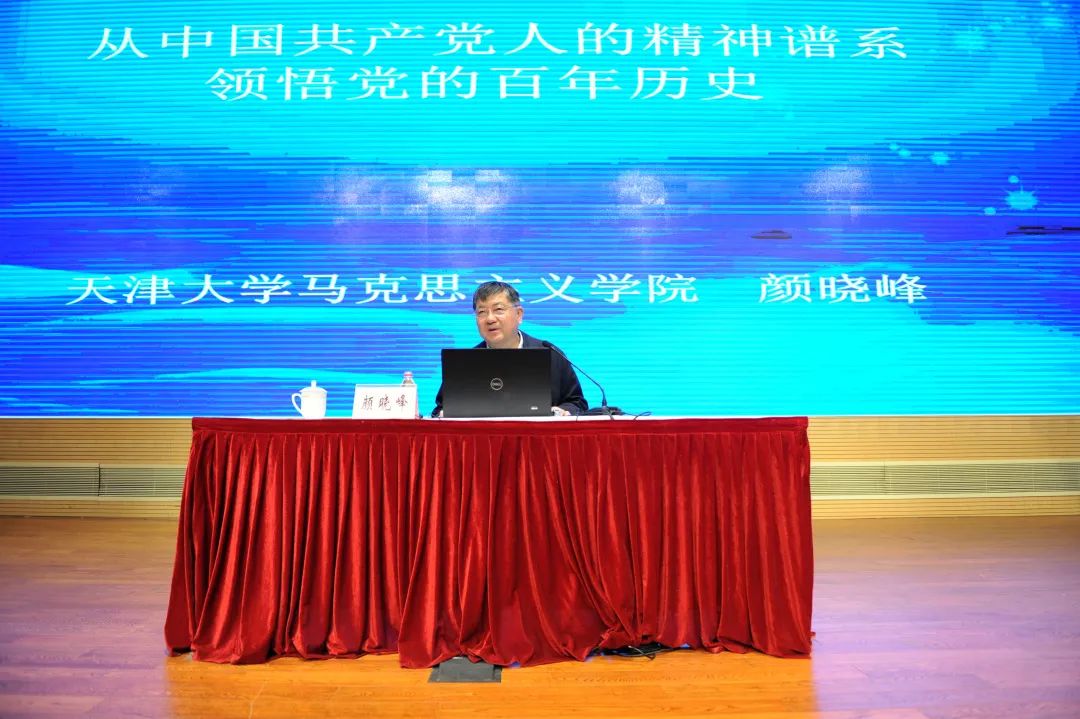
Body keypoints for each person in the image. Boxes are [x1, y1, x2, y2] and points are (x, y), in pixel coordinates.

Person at [432, 281, 588, 417]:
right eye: (482, 312)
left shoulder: (550, 354)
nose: (490, 319)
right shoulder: (465, 363)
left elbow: (577, 403)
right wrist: (445, 414)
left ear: (519, 314)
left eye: (498, 309)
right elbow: (440, 410)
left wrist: (562, 412)